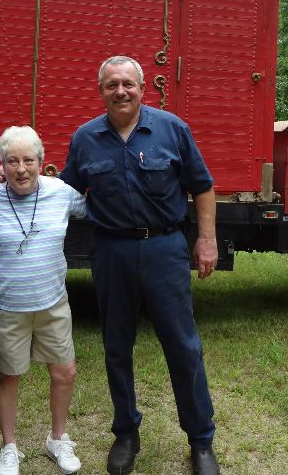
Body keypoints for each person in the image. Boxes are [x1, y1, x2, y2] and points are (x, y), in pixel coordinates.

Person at [59, 55, 221, 475]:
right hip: (112, 252)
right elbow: (64, 192)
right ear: (101, 91)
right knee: (117, 346)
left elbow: (202, 187)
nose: (120, 91)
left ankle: (201, 440)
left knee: (183, 346)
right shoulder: (86, 138)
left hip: (164, 248)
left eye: (127, 84)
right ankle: (126, 433)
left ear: (142, 88)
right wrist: (11, 183)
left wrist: (206, 240)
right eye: (111, 84)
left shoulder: (172, 129)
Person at [0, 126, 86, 475]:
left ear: (42, 163)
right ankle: (9, 447)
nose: (21, 169)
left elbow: (99, 208)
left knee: (65, 372)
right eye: (12, 161)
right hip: (7, 306)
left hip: (52, 303)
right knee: (8, 376)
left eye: (28, 160)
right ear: (1, 165)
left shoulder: (60, 192)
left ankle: (57, 439)